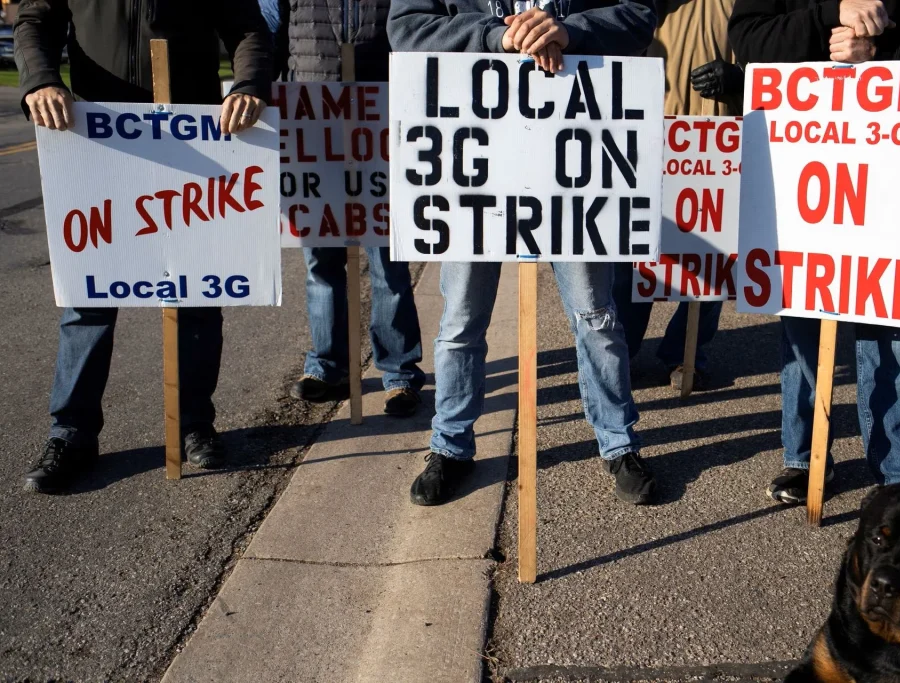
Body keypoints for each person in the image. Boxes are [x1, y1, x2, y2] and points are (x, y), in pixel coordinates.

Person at [388, 0, 659, 506]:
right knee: (461, 320)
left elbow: (640, 14)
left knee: (596, 316)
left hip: (573, 157)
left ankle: (618, 441)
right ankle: (450, 445)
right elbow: (406, 28)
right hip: (470, 166)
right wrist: (496, 37)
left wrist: (569, 31)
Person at [728, 0, 900, 504]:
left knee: (894, 332)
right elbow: (750, 39)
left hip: (887, 160)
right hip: (800, 162)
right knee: (802, 329)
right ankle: (806, 459)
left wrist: (883, 50)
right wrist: (832, 13)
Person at [14, 0, 273, 493]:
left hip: (191, 144)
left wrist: (249, 85)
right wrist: (41, 80)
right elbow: (35, 20)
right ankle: (70, 435)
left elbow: (248, 30)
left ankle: (193, 425)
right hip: (98, 139)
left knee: (196, 297)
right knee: (87, 301)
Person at [282, 0, 427, 418]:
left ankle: (399, 375)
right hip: (311, 124)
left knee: (387, 261)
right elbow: (268, 39)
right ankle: (328, 368)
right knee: (320, 259)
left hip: (381, 124)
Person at [612, 0, 744, 391]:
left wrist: (742, 77)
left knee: (710, 258)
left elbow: (774, 50)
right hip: (644, 143)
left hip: (718, 147)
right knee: (631, 260)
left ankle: (685, 356)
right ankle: (619, 352)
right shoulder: (641, 4)